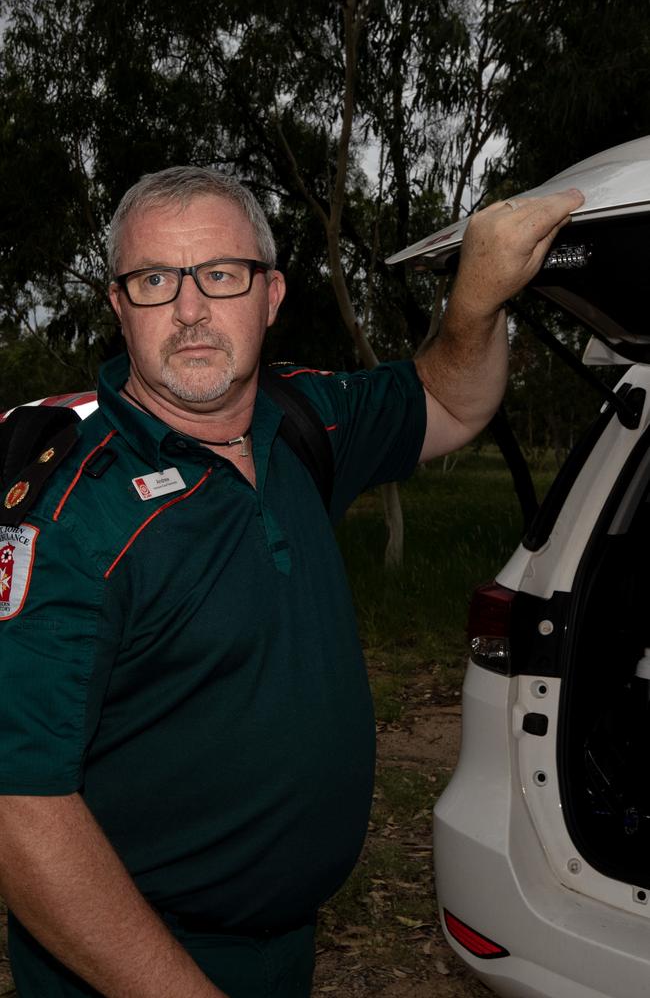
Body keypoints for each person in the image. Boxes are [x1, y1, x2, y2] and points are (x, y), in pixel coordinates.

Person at [0, 167, 584, 998]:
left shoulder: (302, 420)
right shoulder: (70, 511)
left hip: (284, 947)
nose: (191, 309)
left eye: (222, 275)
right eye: (156, 280)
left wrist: (475, 303)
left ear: (270, 295)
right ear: (119, 304)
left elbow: (450, 403)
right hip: (125, 962)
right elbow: (20, 809)